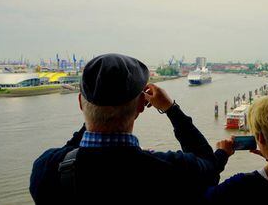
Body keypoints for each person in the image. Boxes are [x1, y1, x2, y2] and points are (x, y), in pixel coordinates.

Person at [30, 53, 229, 204]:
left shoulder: (46, 168)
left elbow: (71, 150)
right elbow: (208, 166)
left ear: (81, 103)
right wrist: (171, 109)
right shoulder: (170, 169)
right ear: (142, 104)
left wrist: (95, 112)